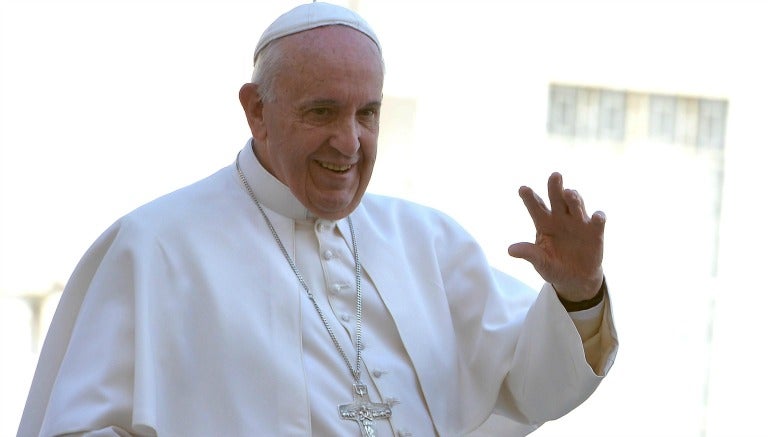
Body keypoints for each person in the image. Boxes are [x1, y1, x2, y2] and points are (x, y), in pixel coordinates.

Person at [18, 2, 618, 436]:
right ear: (257, 111)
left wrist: (577, 296)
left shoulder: (427, 243)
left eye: (368, 113)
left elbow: (533, 388)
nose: (349, 142)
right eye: (323, 111)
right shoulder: (154, 248)